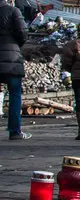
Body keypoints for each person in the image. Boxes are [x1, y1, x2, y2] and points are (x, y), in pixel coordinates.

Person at [0, 0, 28, 140]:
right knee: (15, 95)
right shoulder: (13, 11)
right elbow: (22, 32)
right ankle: (14, 131)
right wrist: (17, 44)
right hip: (11, 58)